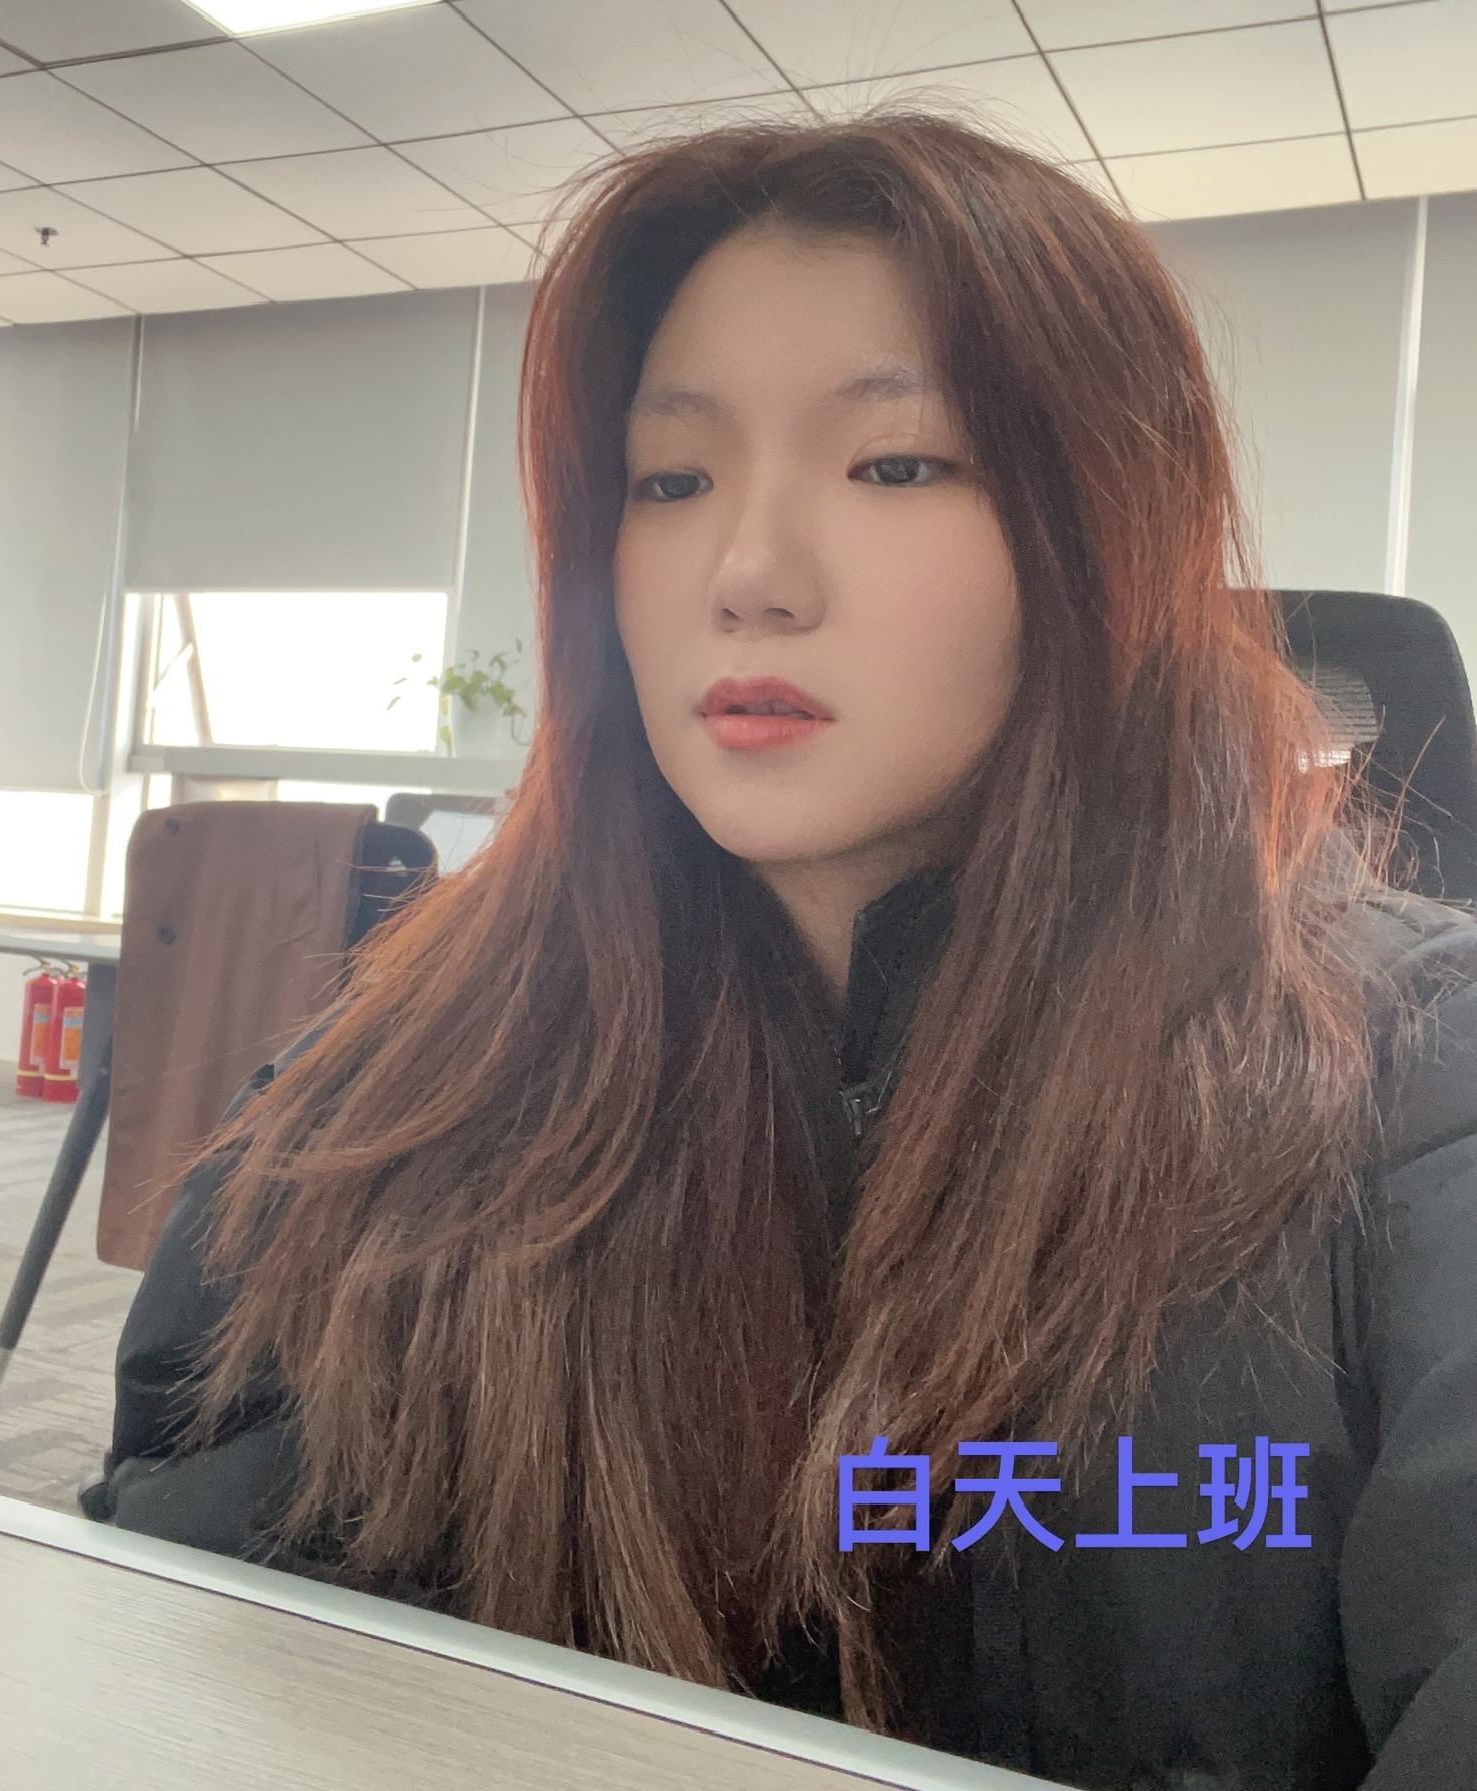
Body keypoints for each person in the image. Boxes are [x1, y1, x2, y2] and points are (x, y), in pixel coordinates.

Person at [83, 112, 1477, 1790]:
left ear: (1106, 529)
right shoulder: (393, 1087)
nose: (744, 574)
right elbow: (181, 1655)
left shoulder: (1417, 1100)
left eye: (896, 465)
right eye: (670, 481)